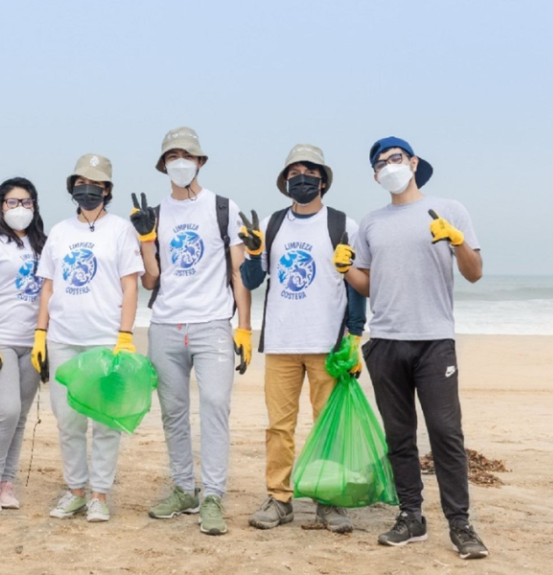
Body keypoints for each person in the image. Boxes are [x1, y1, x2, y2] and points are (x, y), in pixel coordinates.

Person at [343, 137, 488, 559]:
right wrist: (346, 270)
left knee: (446, 433)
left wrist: (456, 240)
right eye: (380, 163)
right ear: (374, 176)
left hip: (434, 340)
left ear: (413, 162)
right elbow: (369, 286)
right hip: (386, 340)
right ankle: (411, 516)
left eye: (395, 158)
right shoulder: (371, 223)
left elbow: (475, 273)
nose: (389, 166)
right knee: (399, 436)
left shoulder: (450, 209)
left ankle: (460, 525)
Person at [237, 144, 366, 534]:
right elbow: (252, 281)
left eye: (309, 172)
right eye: (294, 173)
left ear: (323, 180)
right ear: (285, 181)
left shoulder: (345, 224)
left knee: (329, 426)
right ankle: (279, 499)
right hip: (281, 343)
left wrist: (355, 339)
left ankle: (329, 501)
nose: (301, 179)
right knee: (279, 427)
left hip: (328, 344)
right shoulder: (273, 225)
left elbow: (357, 286)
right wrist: (252, 253)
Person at [130, 127, 252, 536]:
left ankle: (213, 495)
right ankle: (184, 489)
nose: (179, 162)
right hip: (165, 325)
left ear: (200, 161)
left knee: (215, 406)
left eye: (187, 155)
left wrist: (245, 330)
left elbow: (239, 272)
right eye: (172, 156)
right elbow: (150, 281)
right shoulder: (157, 213)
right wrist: (146, 239)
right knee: (173, 413)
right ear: (163, 164)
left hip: (213, 323)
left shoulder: (223, 207)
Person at [33, 153, 144, 523]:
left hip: (105, 340)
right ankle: (76, 490)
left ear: (107, 189)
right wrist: (40, 333)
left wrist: (124, 335)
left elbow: (131, 287)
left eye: (95, 184)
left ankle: (99, 494)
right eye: (80, 183)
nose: (87, 189)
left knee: (106, 423)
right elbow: (48, 287)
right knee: (68, 420)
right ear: (72, 187)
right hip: (63, 339)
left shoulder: (121, 230)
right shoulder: (60, 232)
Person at [0, 177, 48, 512]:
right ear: (0, 205)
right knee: (6, 409)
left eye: (26, 202)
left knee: (20, 416)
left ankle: (6, 481)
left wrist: (45, 335)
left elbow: (49, 291)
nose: (20, 208)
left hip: (32, 342)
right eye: (13, 202)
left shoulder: (42, 243)